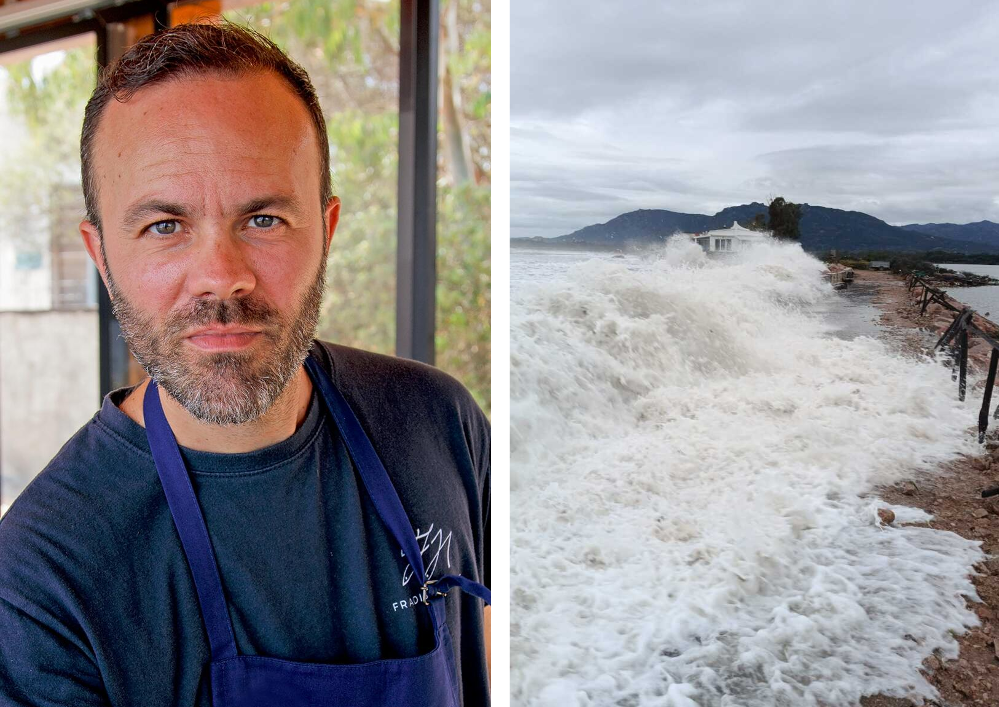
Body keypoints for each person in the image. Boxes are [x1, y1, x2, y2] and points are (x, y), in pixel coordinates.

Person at [0, 19, 502, 706]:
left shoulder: (436, 419)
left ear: (325, 232)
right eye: (164, 226)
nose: (221, 277)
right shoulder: (40, 582)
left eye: (263, 219)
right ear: (102, 257)